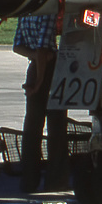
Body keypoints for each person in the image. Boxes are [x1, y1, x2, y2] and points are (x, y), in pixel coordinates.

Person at [12, 14, 65, 194]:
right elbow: (43, 49)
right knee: (56, 125)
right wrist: (40, 81)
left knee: (32, 125)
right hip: (49, 68)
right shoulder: (46, 14)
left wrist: (33, 57)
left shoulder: (25, 15)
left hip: (34, 66)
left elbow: (17, 46)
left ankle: (29, 180)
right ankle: (55, 179)